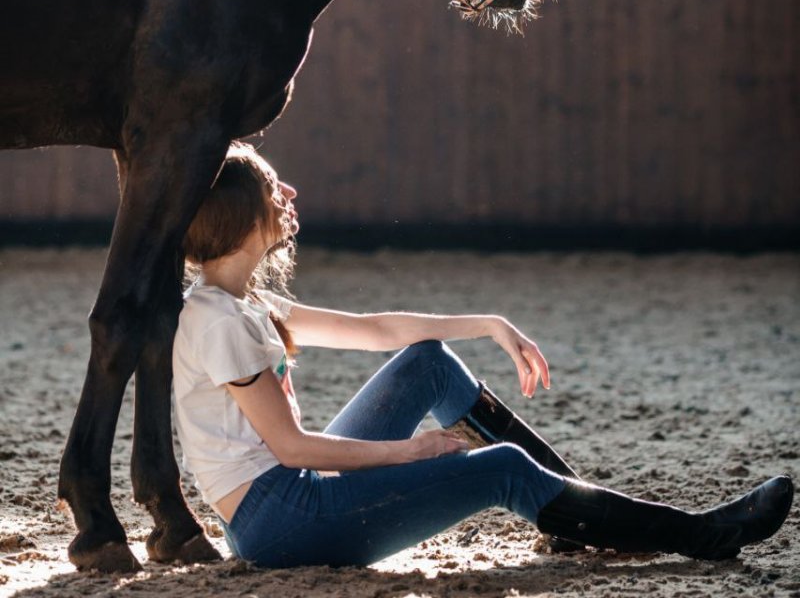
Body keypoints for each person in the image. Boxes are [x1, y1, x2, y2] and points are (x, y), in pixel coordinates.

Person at [172, 142, 793, 569]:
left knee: (428, 362)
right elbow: (293, 449)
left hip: (289, 496)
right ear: (240, 216)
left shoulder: (245, 301)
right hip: (280, 520)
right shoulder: (221, 321)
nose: (286, 193)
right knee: (501, 468)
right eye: (268, 187)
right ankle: (706, 536)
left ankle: (568, 506)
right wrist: (410, 450)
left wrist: (489, 325)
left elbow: (375, 330)